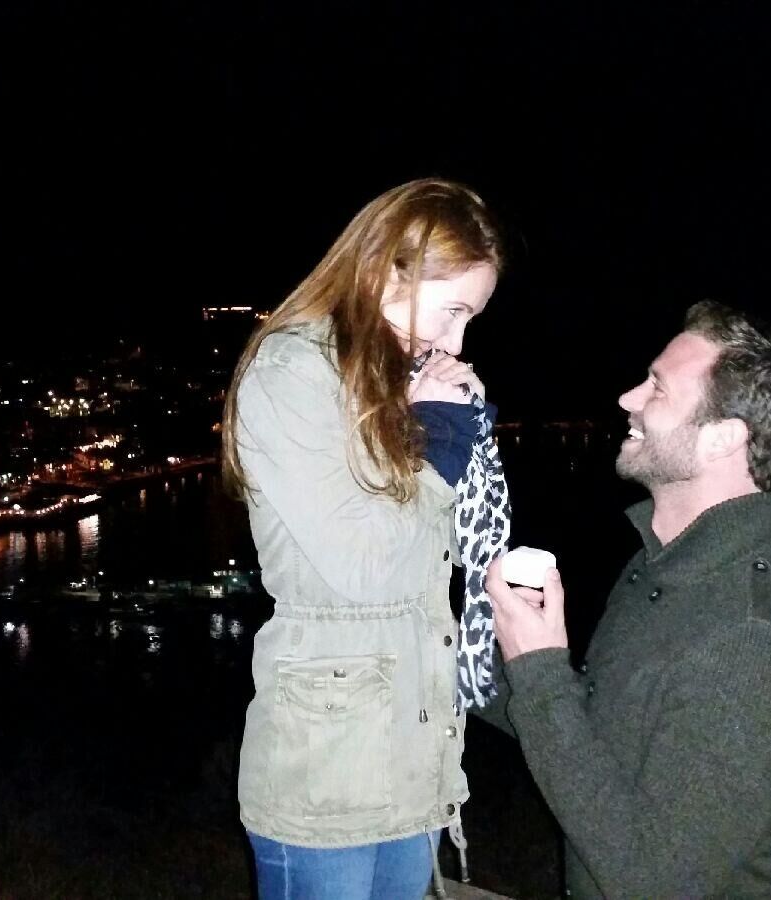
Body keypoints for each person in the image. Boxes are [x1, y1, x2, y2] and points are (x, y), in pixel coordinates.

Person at [480, 300, 771, 898]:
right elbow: (595, 738)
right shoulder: (665, 572)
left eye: (656, 387)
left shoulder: (759, 643)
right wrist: (455, 662)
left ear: (721, 439)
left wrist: (541, 669)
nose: (629, 399)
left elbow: (652, 877)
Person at [222, 177, 505, 899]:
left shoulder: (387, 378)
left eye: (470, 321)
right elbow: (364, 566)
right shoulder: (292, 371)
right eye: (451, 312)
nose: (456, 341)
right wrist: (439, 440)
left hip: (411, 753)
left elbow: (425, 560)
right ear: (385, 269)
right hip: (324, 771)